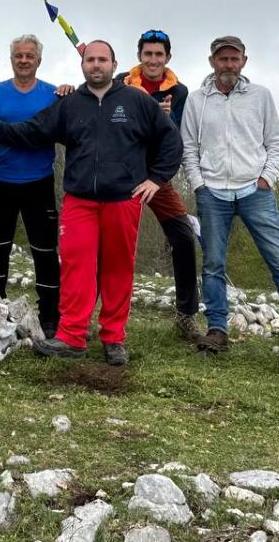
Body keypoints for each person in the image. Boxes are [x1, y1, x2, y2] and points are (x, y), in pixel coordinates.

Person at [0, 40, 181, 366]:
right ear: (83, 65)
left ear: (115, 65)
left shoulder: (135, 100)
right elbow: (32, 131)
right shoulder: (70, 104)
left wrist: (156, 179)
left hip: (123, 199)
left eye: (102, 59)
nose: (96, 65)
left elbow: (169, 138)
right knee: (75, 267)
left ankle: (114, 338)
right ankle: (72, 336)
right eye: (90, 60)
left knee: (117, 268)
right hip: (80, 201)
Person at [180, 35, 279, 354]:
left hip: (254, 191)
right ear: (212, 61)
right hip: (213, 192)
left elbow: (276, 143)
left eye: (234, 58)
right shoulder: (197, 100)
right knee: (213, 264)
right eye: (222, 58)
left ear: (244, 61)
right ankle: (217, 330)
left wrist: (267, 178)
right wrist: (198, 183)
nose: (228, 64)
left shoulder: (260, 96)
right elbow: (188, 145)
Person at [116, 29, 202, 342]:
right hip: (122, 173)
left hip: (155, 177)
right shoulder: (120, 82)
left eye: (159, 54)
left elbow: (176, 139)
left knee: (183, 235)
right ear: (139, 56)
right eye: (148, 54)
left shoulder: (179, 91)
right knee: (111, 243)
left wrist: (164, 121)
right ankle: (89, 314)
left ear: (168, 58)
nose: (153, 60)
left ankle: (185, 316)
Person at [0, 35, 62, 337]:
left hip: (39, 182)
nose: (24, 60)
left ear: (38, 60)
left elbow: (59, 127)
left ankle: (50, 314)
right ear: (11, 59)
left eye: (30, 56)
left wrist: (68, 93)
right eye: (18, 56)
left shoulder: (53, 94)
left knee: (44, 251)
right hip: (1, 180)